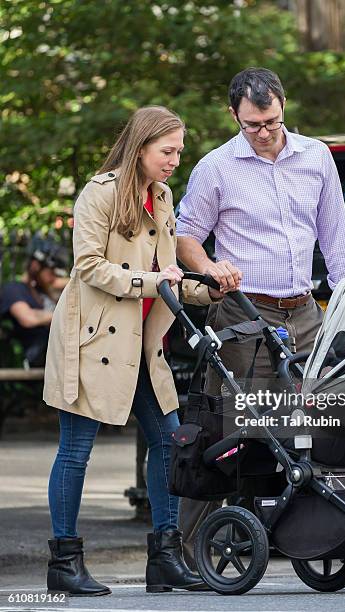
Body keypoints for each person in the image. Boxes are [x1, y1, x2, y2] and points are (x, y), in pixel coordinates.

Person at [175, 67, 345, 567]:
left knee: (315, 428)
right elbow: (185, 235)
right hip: (243, 313)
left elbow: (336, 237)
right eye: (252, 125)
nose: (263, 132)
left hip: (303, 312)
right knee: (229, 431)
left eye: (272, 122)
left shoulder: (316, 156)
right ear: (233, 115)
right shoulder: (216, 168)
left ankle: (309, 535)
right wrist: (210, 266)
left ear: (284, 106)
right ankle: (186, 552)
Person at [43, 106, 220, 596]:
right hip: (92, 341)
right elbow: (89, 268)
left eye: (180, 152)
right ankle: (63, 562)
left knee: (170, 442)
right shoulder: (97, 195)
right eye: (168, 151)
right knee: (76, 450)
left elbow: (170, 277)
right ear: (141, 146)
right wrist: (152, 282)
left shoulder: (161, 198)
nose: (175, 161)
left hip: (141, 345)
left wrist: (208, 291)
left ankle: (164, 557)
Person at [0, 240, 68, 367]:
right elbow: (28, 318)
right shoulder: (14, 289)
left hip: (50, 358)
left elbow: (67, 283)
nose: (54, 276)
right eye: (51, 271)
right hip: (31, 360)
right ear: (36, 265)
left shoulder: (41, 291)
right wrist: (63, 316)